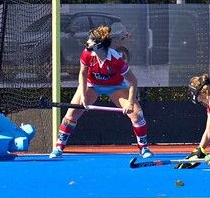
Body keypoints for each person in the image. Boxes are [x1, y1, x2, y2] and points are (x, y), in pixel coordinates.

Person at [50, 25, 151, 159]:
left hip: (116, 86)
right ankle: (59, 147)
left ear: (98, 45)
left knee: (137, 115)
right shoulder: (87, 54)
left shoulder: (116, 59)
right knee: (71, 114)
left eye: (91, 41)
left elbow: (133, 82)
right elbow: (82, 74)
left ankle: (143, 147)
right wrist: (84, 96)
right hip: (92, 85)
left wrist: (130, 103)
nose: (87, 42)